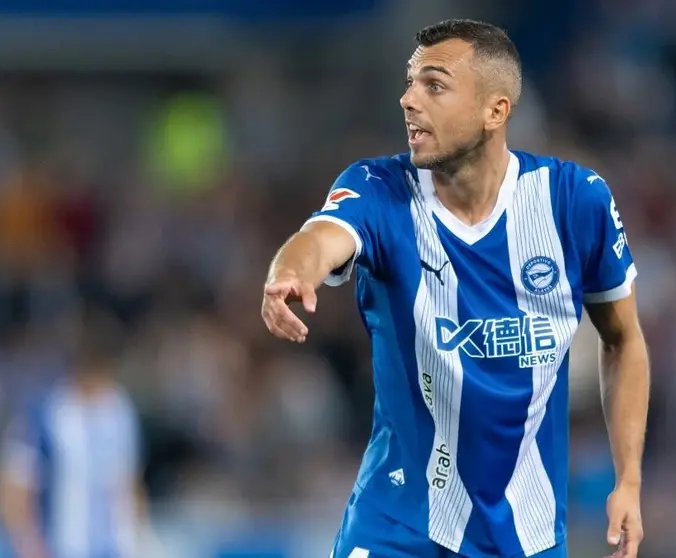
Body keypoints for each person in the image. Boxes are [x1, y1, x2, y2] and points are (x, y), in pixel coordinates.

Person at [262, 18, 650, 558]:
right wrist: (290, 272)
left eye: (434, 85)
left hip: (525, 535)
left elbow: (624, 340)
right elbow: (320, 237)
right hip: (398, 526)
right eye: (409, 82)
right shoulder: (379, 190)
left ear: (496, 111)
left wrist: (628, 480)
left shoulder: (574, 202)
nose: (408, 100)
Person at [0, 308, 148, 558]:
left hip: (110, 551)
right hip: (59, 549)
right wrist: (30, 548)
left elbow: (129, 485)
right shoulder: (43, 414)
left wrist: (135, 545)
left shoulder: (121, 412)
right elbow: (13, 490)